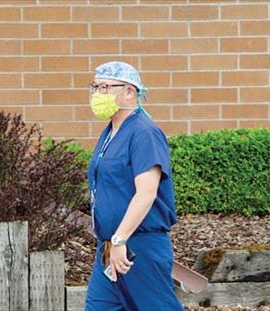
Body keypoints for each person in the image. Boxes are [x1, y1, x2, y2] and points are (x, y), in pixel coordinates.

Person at [84, 61, 184, 311]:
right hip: (108, 248)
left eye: (105, 87)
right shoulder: (110, 132)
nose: (98, 94)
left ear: (129, 92)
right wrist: (111, 243)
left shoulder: (144, 133)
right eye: (95, 87)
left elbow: (146, 194)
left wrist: (120, 241)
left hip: (138, 247)